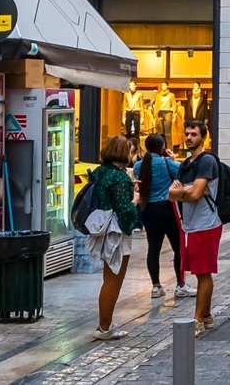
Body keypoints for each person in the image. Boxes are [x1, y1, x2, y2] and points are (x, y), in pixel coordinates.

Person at [85, 135, 141, 341]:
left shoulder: (101, 171)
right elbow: (125, 210)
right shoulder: (120, 177)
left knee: (109, 278)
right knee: (114, 279)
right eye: (130, 150)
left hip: (101, 225)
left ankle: (105, 323)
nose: (132, 154)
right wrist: (135, 198)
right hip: (116, 230)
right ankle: (104, 326)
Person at [169, 121, 222, 335]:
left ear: (203, 137)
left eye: (194, 134)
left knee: (203, 272)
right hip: (191, 224)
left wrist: (186, 191)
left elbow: (192, 194)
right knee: (199, 271)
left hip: (206, 223)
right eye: (187, 134)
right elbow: (171, 194)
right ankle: (207, 316)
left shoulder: (206, 161)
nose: (189, 137)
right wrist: (186, 191)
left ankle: (198, 319)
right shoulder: (185, 164)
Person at [136, 134, 185, 298]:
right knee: (177, 246)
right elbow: (181, 174)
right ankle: (180, 284)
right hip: (166, 206)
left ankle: (156, 286)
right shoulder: (166, 163)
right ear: (162, 147)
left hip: (147, 209)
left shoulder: (138, 166)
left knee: (153, 247)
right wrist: (173, 159)